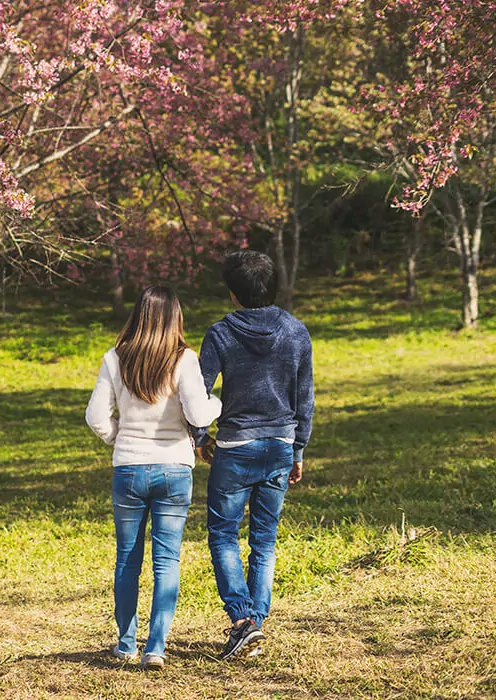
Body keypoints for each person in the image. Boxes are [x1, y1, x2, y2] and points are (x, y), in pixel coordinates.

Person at [85, 285, 222, 670]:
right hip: (174, 469)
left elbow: (96, 417)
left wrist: (120, 439)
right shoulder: (184, 359)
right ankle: (156, 647)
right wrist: (218, 403)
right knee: (167, 561)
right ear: (175, 317)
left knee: (127, 560)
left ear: (139, 314)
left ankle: (126, 643)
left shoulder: (115, 358)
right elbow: (199, 415)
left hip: (128, 468)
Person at [195, 250, 314, 660]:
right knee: (264, 539)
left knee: (224, 534)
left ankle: (243, 621)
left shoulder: (220, 333)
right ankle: (254, 625)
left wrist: (199, 436)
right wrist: (298, 448)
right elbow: (305, 399)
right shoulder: (296, 331)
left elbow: (199, 391)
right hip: (280, 444)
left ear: (233, 293)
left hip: (235, 447)